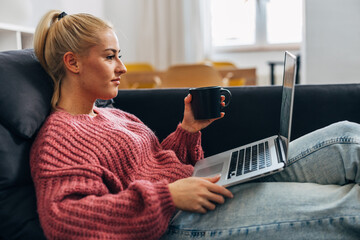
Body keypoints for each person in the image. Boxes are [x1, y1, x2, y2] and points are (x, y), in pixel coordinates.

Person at [30, 10, 360, 240]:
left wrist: (188, 130)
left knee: (346, 136)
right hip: (175, 222)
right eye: (109, 56)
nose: (122, 67)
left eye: (119, 55)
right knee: (350, 204)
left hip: (197, 186)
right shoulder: (58, 137)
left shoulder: (112, 114)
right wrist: (167, 197)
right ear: (72, 62)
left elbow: (154, 162)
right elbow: (64, 221)